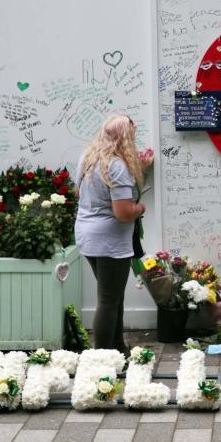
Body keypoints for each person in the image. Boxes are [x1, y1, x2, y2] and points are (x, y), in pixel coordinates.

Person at [74, 114, 146, 353]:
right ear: (125, 138)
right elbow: (124, 213)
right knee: (108, 300)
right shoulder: (117, 166)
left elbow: (78, 193)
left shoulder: (89, 158)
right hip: (110, 241)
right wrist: (140, 208)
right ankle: (102, 357)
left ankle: (118, 349)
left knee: (113, 296)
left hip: (87, 235)